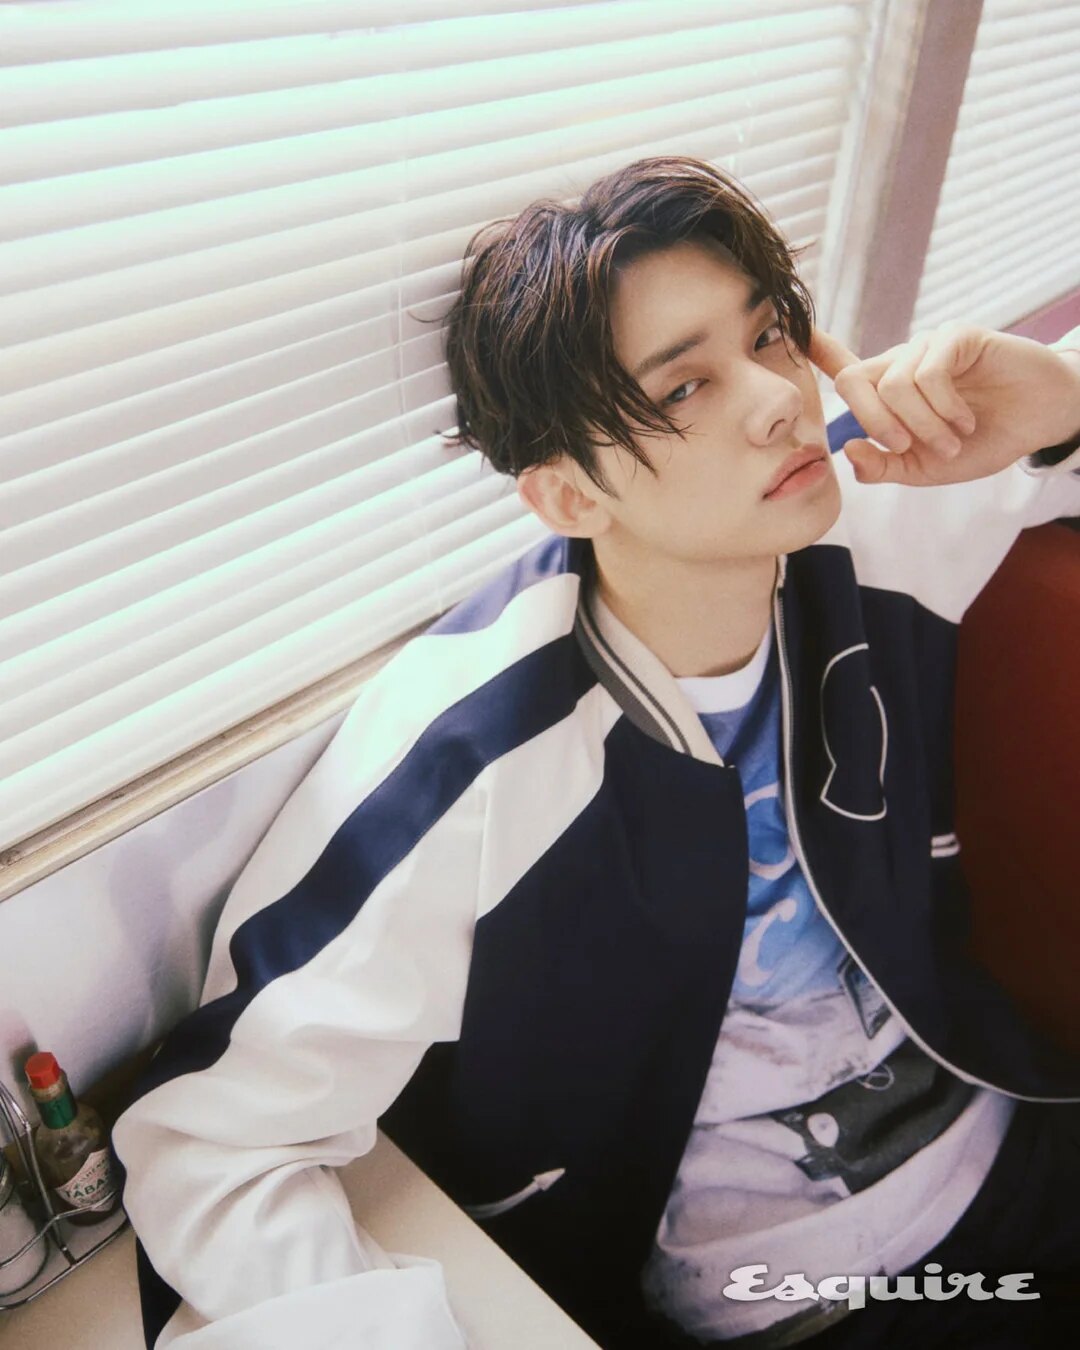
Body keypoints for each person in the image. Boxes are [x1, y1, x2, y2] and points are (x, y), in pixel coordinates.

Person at [113, 156, 1080, 1350]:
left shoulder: (864, 516)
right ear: (569, 498)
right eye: (685, 387)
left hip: (1017, 1135)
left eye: (769, 335)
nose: (777, 400)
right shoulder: (479, 751)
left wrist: (1064, 398)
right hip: (792, 1297)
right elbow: (210, 1138)